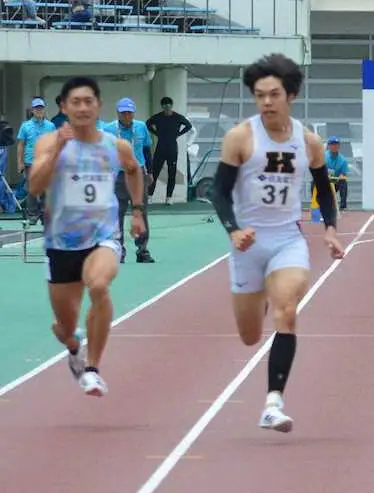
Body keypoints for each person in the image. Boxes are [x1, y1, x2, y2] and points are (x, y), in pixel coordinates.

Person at [207, 53, 345, 433]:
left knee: (286, 309)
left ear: (291, 96)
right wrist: (234, 229)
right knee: (250, 336)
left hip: (287, 240)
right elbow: (218, 192)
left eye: (274, 94)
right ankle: (261, 289)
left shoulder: (310, 141)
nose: (266, 102)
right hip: (248, 245)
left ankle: (273, 403)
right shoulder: (241, 137)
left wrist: (330, 229)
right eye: (259, 95)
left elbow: (323, 189)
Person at [26, 76, 146, 397]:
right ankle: (73, 343)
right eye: (75, 102)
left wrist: (137, 211)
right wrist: (58, 150)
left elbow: (134, 170)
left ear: (98, 106)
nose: (82, 108)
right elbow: (35, 187)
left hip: (102, 237)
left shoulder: (115, 145)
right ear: (63, 108)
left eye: (88, 101)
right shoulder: (49, 143)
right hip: (60, 244)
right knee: (64, 328)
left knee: (99, 284)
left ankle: (92, 369)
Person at [101, 98, 156, 263]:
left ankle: (142, 249)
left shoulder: (141, 127)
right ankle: (119, 249)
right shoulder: (108, 129)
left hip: (138, 173)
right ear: (118, 113)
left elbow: (147, 149)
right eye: (124, 112)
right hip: (117, 173)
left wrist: (150, 172)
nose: (127, 115)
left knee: (141, 211)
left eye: (129, 112)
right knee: (117, 212)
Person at [16, 97, 57, 223]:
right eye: (37, 108)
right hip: (30, 162)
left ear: (44, 109)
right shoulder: (25, 126)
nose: (39, 110)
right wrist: (20, 162)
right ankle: (32, 215)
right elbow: (21, 145)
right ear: (32, 110)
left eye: (41, 108)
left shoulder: (51, 126)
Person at [146, 96, 193, 205]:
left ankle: (169, 197)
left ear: (171, 106)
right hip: (160, 147)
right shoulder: (158, 117)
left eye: (169, 106)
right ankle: (149, 196)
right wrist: (156, 133)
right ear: (162, 107)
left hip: (172, 148)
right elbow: (147, 124)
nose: (167, 108)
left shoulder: (177, 117)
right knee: (155, 172)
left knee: (172, 173)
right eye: (165, 106)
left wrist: (178, 134)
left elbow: (188, 126)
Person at [312, 136, 350, 210]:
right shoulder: (323, 156)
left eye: (336, 144)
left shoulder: (343, 160)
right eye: (332, 144)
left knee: (343, 183)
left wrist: (339, 178)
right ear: (328, 146)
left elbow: (343, 174)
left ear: (339, 146)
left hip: (334, 181)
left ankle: (342, 206)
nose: (334, 146)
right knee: (314, 182)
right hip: (323, 181)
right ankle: (316, 204)